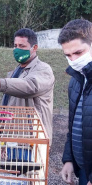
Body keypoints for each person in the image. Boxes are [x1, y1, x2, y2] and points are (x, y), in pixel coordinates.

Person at [0, 28, 55, 145]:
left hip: (32, 140)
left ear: (34, 48)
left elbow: (30, 86)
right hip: (13, 137)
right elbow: (8, 105)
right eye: (15, 45)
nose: (17, 49)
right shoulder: (16, 71)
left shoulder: (43, 69)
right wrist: (2, 135)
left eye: (22, 46)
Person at [58, 19, 92, 185]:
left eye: (78, 52)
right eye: (68, 55)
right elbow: (73, 126)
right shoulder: (76, 80)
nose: (73, 60)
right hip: (84, 171)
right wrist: (69, 159)